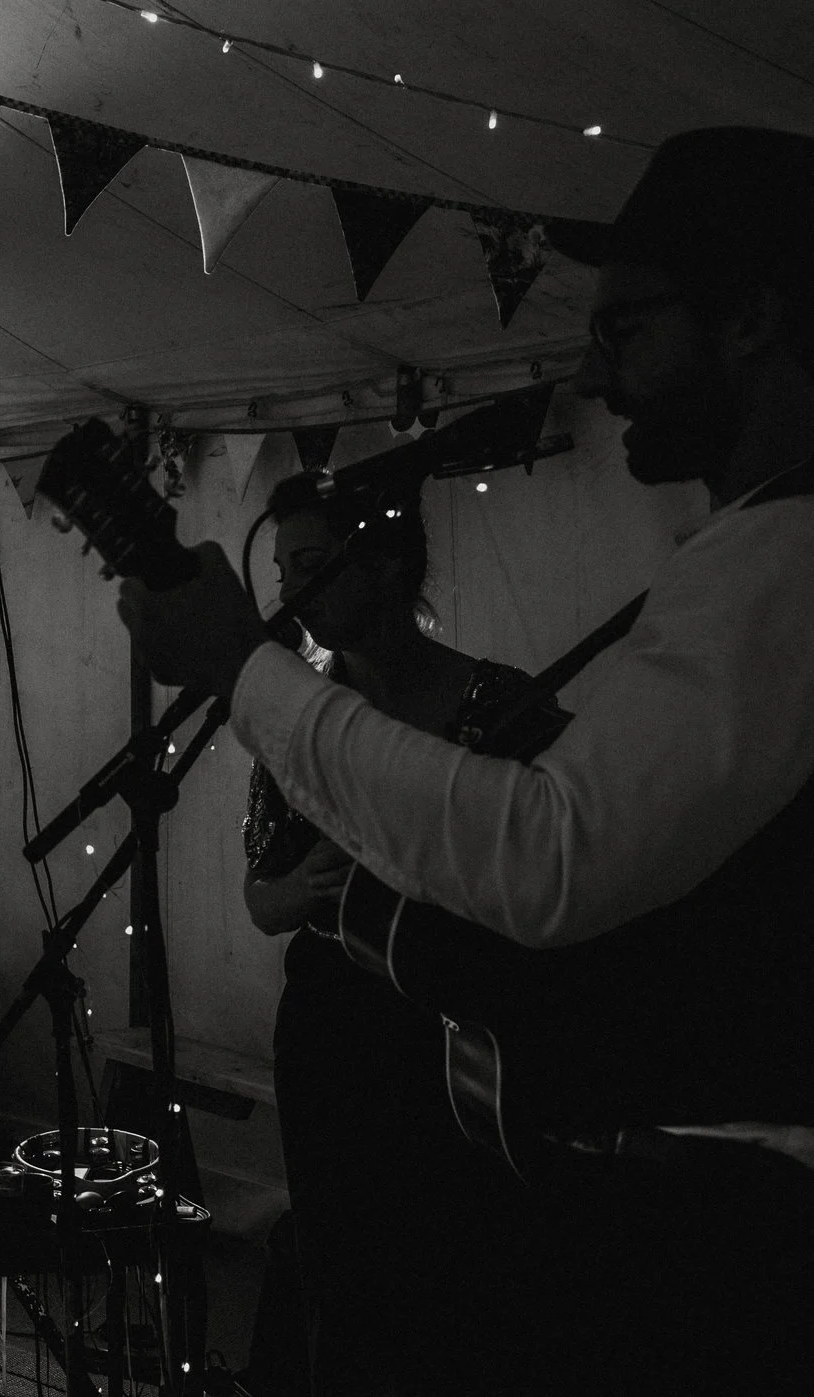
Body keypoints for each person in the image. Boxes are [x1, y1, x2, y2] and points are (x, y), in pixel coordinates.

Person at [120, 127, 814, 1390]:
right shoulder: (755, 546)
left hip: (739, 1245)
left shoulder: (786, 558)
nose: (597, 378)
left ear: (755, 319)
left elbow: (548, 857)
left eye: (629, 331)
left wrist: (241, 668)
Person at [236, 474, 550, 1394]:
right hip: (337, 1035)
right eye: (285, 569)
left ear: (384, 562)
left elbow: (553, 862)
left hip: (464, 1036)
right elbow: (259, 897)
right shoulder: (296, 723)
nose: (293, 591)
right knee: (348, 1271)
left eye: (313, 565)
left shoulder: (499, 703)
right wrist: (298, 887)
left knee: (462, 1273)